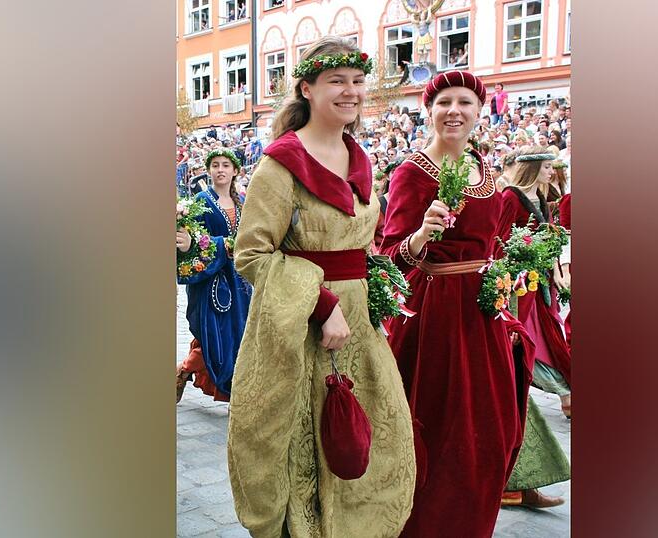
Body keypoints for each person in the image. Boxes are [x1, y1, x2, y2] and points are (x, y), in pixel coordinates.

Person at [226, 37, 415, 537]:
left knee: (360, 434)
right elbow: (250, 254)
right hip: (300, 327)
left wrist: (380, 281)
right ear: (307, 88)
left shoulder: (360, 158)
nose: (351, 92)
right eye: (337, 81)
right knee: (304, 437)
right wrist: (322, 302)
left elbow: (361, 245)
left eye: (357, 82)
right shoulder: (280, 164)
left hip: (360, 325)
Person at [380, 70, 532, 537]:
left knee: (494, 432)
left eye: (465, 102)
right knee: (442, 433)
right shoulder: (412, 171)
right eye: (444, 101)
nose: (455, 111)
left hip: (483, 315)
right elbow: (389, 254)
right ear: (429, 110)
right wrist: (423, 234)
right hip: (435, 318)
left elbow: (494, 243)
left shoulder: (488, 171)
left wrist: (512, 268)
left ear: (479, 111)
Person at [496, 146, 572, 509]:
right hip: (515, 293)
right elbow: (499, 245)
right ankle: (516, 482)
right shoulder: (511, 198)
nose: (550, 172)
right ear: (533, 169)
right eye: (545, 167)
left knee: (524, 376)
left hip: (532, 291)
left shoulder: (537, 199)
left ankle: (520, 483)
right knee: (517, 379)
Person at [175, 149, 252, 404]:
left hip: (239, 282)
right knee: (214, 335)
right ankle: (185, 369)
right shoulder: (200, 201)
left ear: (235, 170)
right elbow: (194, 240)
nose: (220, 170)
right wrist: (222, 246)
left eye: (226, 165)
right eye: (216, 165)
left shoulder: (242, 202)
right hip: (210, 281)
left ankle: (189, 373)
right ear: (209, 170)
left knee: (236, 334)